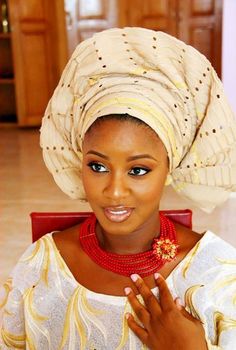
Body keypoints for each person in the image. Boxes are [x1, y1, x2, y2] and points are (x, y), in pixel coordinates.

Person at [1, 27, 236, 350]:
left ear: (170, 167)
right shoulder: (42, 264)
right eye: (97, 166)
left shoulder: (218, 275)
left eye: (138, 170)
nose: (113, 192)